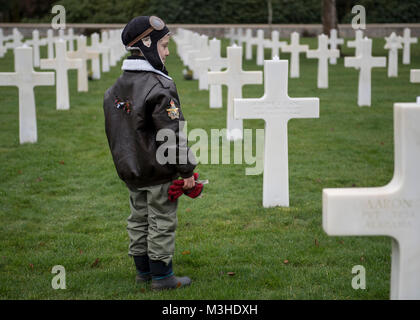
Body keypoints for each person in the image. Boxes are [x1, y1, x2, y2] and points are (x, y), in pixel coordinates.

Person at [103, 16, 197, 290]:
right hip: (158, 171)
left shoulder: (114, 89)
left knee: (138, 220)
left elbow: (117, 135)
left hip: (132, 171)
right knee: (161, 220)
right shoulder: (159, 86)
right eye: (164, 45)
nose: (168, 52)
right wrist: (187, 170)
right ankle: (162, 277)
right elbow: (171, 134)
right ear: (146, 45)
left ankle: (143, 271)